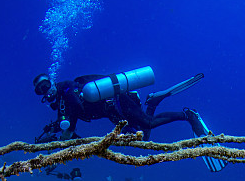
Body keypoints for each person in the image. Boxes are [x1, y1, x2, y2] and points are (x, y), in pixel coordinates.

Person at [33, 70, 226, 172]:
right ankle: (153, 101)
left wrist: (63, 126)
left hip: (117, 102)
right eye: (40, 90)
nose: (45, 91)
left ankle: (188, 115)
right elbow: (70, 130)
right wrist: (54, 134)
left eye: (45, 85)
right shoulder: (62, 105)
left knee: (148, 123)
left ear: (51, 81)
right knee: (143, 137)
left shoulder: (66, 89)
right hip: (114, 112)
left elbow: (74, 109)